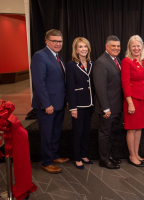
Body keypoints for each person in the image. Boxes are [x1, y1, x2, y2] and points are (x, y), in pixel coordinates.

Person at [31, 29, 69, 174]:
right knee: (47, 134)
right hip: (47, 105)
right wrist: (46, 104)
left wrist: (65, 100)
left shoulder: (58, 57)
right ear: (47, 41)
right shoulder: (39, 56)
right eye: (55, 41)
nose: (58, 44)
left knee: (55, 132)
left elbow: (60, 82)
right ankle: (46, 162)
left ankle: (53, 156)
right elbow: (39, 83)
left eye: (60, 41)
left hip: (58, 104)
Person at [93, 36, 123, 169]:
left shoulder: (117, 60)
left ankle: (109, 155)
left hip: (116, 106)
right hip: (108, 108)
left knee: (112, 133)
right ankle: (103, 160)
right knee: (105, 134)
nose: (116, 48)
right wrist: (106, 108)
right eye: (113, 46)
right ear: (106, 46)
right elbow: (100, 87)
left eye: (118, 46)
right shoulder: (101, 62)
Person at [121, 35, 144, 167]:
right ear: (129, 48)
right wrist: (130, 102)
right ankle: (132, 156)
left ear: (142, 47)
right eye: (133, 46)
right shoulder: (126, 61)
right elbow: (125, 83)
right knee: (131, 129)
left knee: (139, 128)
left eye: (138, 45)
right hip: (132, 99)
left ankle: (137, 153)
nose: (136, 48)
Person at [66, 37, 94, 169]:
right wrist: (73, 107)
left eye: (85, 46)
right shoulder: (71, 65)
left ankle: (84, 154)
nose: (83, 49)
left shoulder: (92, 64)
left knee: (86, 131)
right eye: (81, 47)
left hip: (89, 104)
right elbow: (70, 87)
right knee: (78, 131)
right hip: (78, 105)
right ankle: (77, 157)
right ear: (76, 50)